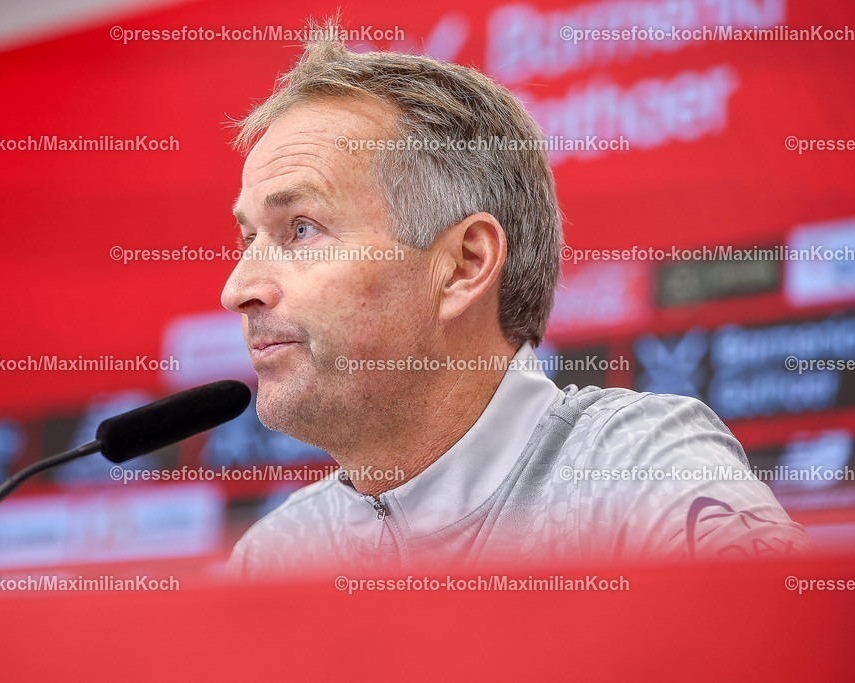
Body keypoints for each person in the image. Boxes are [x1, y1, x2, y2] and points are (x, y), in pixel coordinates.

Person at [220, 24, 810, 579]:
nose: (237, 289)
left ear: (463, 265)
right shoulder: (274, 556)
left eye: (301, 229)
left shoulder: (637, 471)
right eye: (249, 238)